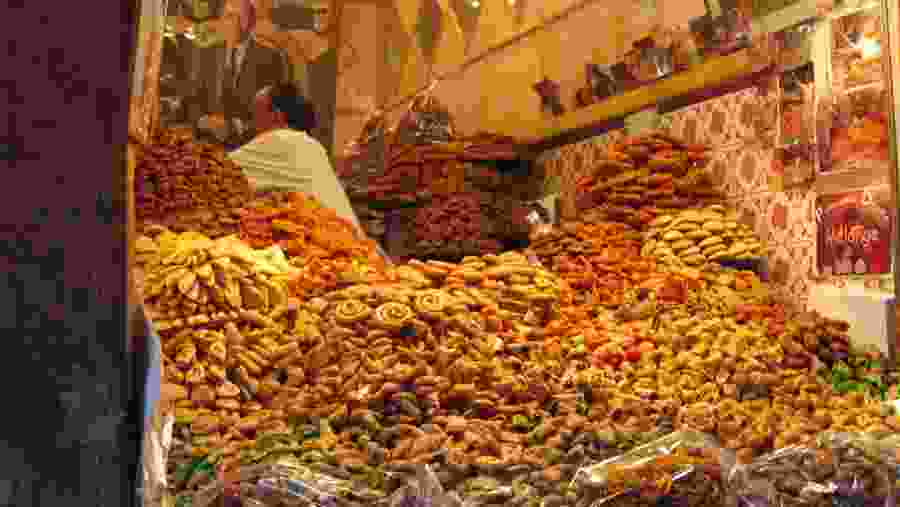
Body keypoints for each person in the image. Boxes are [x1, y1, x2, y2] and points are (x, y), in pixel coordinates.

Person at [227, 82, 361, 230]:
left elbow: (218, 169)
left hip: (331, 242)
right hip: (353, 238)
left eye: (255, 113)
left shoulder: (278, 140)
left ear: (277, 115)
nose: (251, 122)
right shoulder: (312, 145)